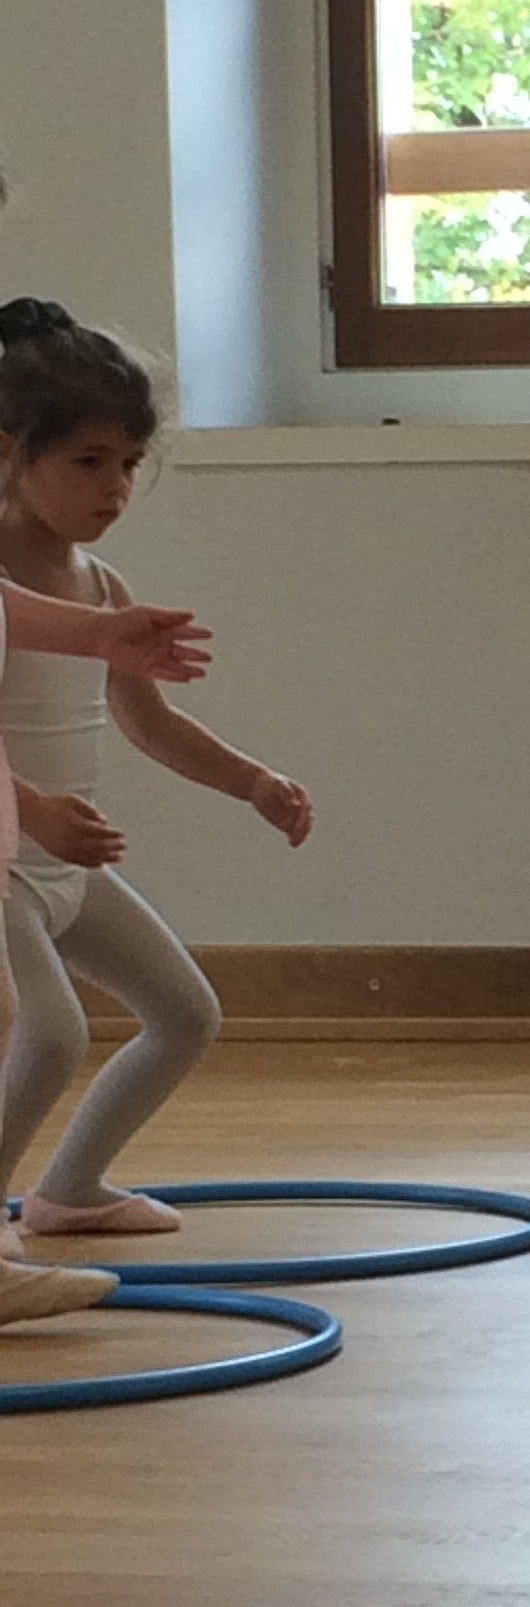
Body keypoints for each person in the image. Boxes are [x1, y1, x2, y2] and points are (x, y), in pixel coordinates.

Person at [0, 300, 310, 1244]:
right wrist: (32, 810)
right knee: (50, 1034)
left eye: (131, 462)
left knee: (184, 1013)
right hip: (8, 860)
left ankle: (70, 1190)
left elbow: (150, 721)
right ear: (10, 453)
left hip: (68, 863)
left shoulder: (102, 589)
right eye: (89, 462)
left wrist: (252, 782)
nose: (117, 486)